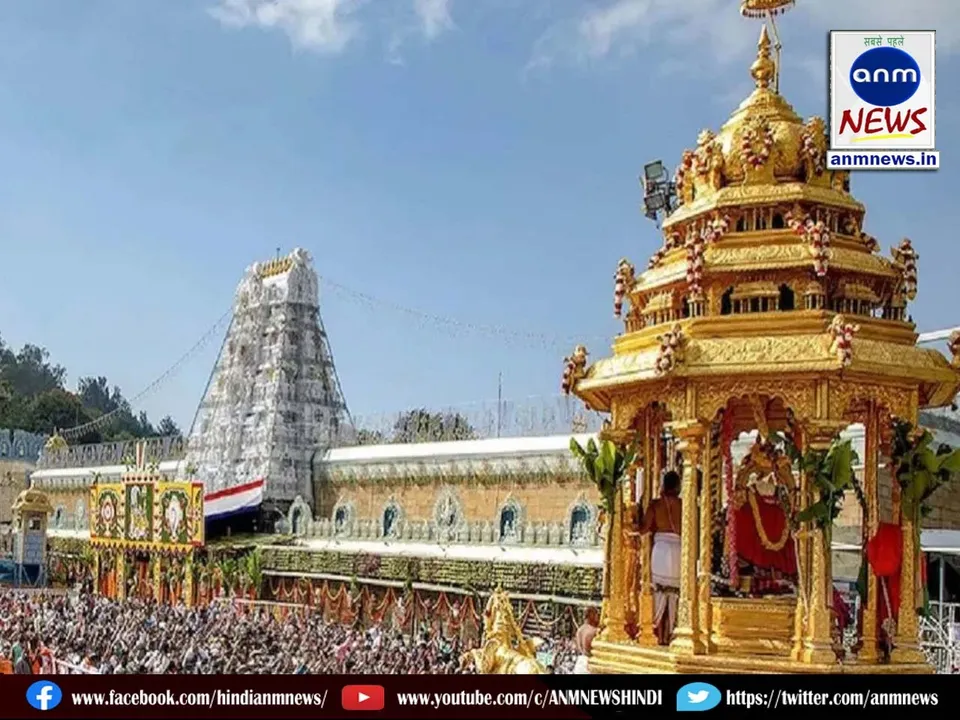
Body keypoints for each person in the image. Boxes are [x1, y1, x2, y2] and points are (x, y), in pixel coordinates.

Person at [640, 470, 682, 645]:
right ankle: (670, 633)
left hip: (661, 551)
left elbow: (644, 529)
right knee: (673, 594)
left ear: (664, 485)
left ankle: (658, 635)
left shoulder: (656, 504)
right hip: (679, 550)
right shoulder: (683, 504)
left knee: (659, 592)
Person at [573, 607, 599, 674]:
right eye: (596, 614)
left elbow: (578, 647)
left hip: (580, 662)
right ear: (591, 615)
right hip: (589, 663)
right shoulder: (594, 631)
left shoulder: (579, 630)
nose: (598, 617)